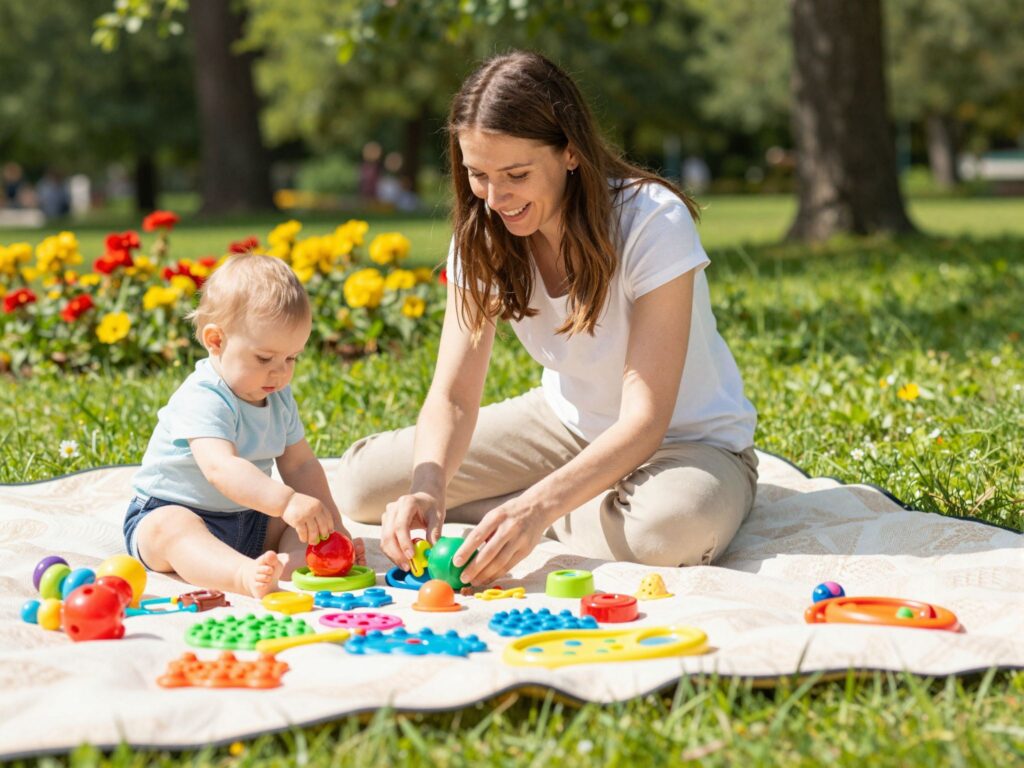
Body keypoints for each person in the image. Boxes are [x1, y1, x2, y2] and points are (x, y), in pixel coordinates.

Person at [336, 51, 757, 587]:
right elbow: (454, 395)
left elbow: (646, 420)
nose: (494, 198)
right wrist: (428, 486)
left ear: (571, 153)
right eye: (477, 175)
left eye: (515, 174)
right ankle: (552, 504)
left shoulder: (652, 220)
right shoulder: (482, 232)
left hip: (688, 440)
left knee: (667, 531)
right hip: (566, 426)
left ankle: (543, 512)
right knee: (365, 486)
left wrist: (536, 510)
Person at [124, 254, 364, 598]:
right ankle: (239, 574)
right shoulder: (204, 395)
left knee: (303, 521)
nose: (280, 372)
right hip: (172, 511)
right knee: (174, 528)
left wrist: (332, 528)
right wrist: (285, 502)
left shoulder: (278, 396)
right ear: (216, 341)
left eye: (291, 358)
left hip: (248, 518)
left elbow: (301, 465)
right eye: (265, 359)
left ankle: (298, 562)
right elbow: (220, 468)